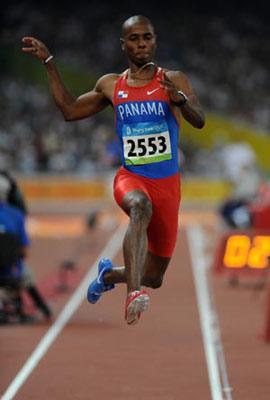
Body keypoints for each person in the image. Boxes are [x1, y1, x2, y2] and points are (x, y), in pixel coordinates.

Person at [22, 15, 205, 325]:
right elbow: (69, 110)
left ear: (154, 40)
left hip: (168, 186)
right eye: (134, 38)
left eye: (147, 37)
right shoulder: (111, 85)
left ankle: (109, 276)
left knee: (155, 276)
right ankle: (133, 293)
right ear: (124, 45)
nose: (141, 43)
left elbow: (199, 120)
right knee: (139, 207)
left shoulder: (173, 79)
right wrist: (50, 62)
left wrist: (181, 100)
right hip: (132, 178)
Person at [0, 170, 52, 320]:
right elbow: (24, 249)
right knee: (26, 274)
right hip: (12, 271)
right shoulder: (16, 215)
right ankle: (40, 308)